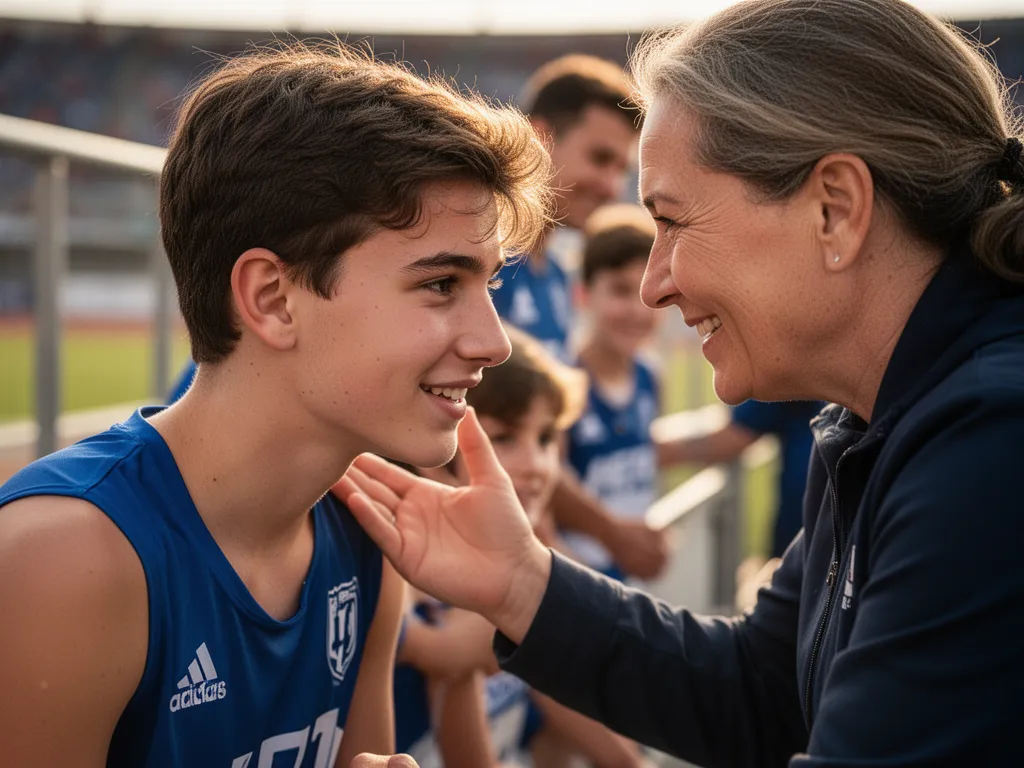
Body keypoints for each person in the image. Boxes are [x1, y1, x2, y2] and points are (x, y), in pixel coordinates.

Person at [338, 1, 1024, 764]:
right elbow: (765, 692)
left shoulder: (992, 441)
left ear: (835, 210)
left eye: (673, 221)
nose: (653, 285)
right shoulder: (893, 414)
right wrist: (522, 581)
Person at [0, 43, 551, 767]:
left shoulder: (366, 544)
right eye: (442, 283)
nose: (494, 343)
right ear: (271, 299)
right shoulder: (63, 561)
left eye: (491, 286)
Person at [393, 327, 650, 768]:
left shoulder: (530, 549)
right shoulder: (407, 575)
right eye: (505, 438)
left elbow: (552, 684)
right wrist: (441, 652)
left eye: (547, 439)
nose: (536, 466)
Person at [490, 53, 638, 363]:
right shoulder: (483, 262)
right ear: (541, 138)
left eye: (621, 169)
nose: (612, 187)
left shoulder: (556, 274)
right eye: (599, 159)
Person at [560, 204, 662, 579]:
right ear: (584, 294)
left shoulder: (650, 378)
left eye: (646, 292)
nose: (636, 311)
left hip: (626, 586)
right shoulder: (563, 384)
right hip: (579, 584)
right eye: (620, 290)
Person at [657, 398, 822, 559]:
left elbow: (728, 436)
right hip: (799, 559)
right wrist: (641, 450)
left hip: (818, 556)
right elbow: (735, 431)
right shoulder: (797, 385)